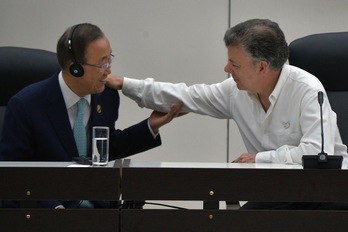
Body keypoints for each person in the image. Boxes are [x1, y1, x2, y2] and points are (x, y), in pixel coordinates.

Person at [106, 19, 348, 210]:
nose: (226, 69)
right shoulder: (235, 92)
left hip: (328, 193)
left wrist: (259, 159)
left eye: (235, 64)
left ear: (262, 66)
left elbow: (317, 153)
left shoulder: (307, 89)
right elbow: (185, 96)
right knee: (237, 224)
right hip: (278, 192)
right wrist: (124, 84)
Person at [0, 23, 182, 209]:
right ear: (75, 68)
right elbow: (11, 177)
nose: (108, 71)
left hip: (99, 209)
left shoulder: (107, 96)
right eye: (102, 63)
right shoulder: (26, 105)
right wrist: (50, 208)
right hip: (51, 214)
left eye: (109, 59)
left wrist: (151, 126)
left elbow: (105, 148)